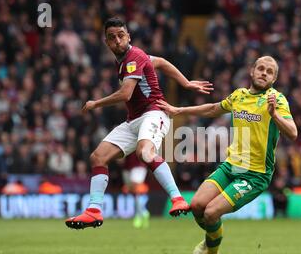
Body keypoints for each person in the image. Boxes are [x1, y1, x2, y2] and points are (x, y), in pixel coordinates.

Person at [65, 18, 213, 229]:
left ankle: (177, 198)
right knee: (98, 157)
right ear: (106, 42)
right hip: (134, 120)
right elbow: (160, 62)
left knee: (145, 152)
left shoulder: (134, 56)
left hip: (154, 113)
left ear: (128, 36)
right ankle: (93, 210)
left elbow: (126, 94)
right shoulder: (128, 58)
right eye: (112, 37)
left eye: (121, 35)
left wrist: (96, 103)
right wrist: (185, 82)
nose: (117, 40)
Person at [157, 56, 298, 254]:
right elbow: (213, 108)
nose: (264, 73)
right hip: (231, 165)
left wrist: (274, 115)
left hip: (255, 175)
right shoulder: (239, 95)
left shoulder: (276, 100)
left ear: (274, 78)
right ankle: (211, 238)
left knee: (211, 213)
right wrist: (179, 111)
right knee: (196, 206)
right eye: (260, 68)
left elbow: (293, 133)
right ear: (252, 71)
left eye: (269, 71)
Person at [121, 152, 150, 229]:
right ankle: (144, 212)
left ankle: (138, 216)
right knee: (132, 192)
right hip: (127, 166)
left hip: (138, 165)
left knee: (137, 190)